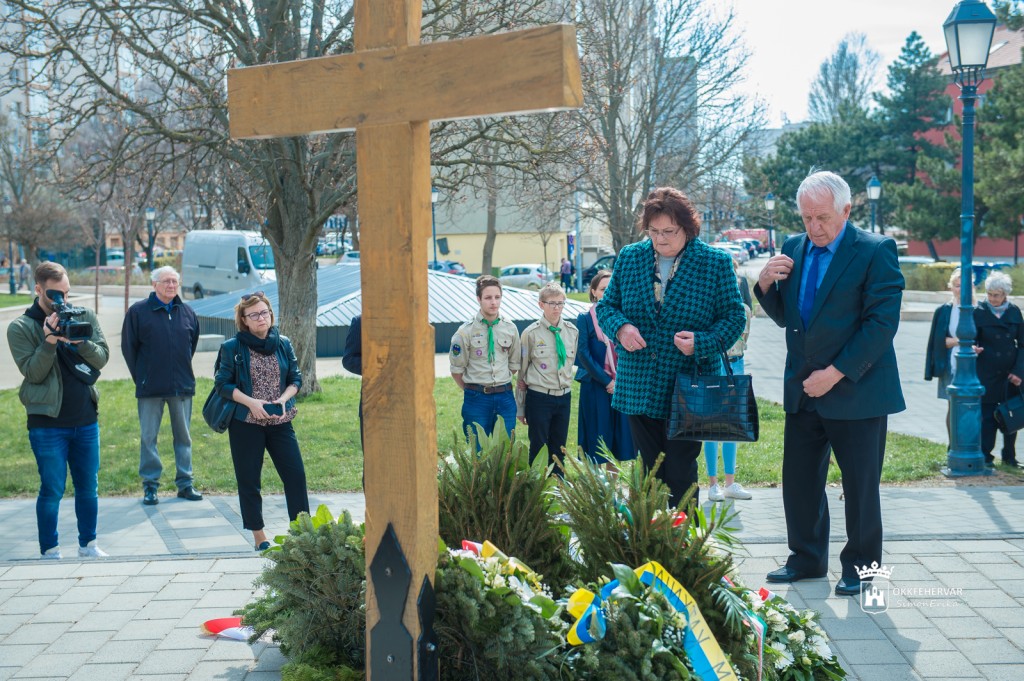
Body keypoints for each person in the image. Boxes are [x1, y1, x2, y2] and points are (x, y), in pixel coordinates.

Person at [755, 170, 905, 597]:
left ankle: (862, 568)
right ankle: (806, 558)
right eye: (806, 218)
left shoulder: (875, 250)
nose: (814, 227)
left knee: (860, 487)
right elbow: (790, 317)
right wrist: (764, 284)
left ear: (847, 209)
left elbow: (881, 324)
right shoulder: (793, 247)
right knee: (799, 481)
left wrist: (835, 373)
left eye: (822, 217)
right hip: (804, 389)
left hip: (857, 390)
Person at [596, 187, 746, 509]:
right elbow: (607, 307)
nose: (660, 239)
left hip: (688, 385)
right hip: (639, 384)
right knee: (649, 472)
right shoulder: (630, 257)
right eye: (653, 231)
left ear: (687, 228)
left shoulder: (714, 262)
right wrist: (621, 328)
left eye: (669, 232)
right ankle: (650, 535)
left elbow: (734, 317)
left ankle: (683, 534)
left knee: (680, 471)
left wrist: (702, 343)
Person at [7, 261, 110, 558]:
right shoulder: (21, 327)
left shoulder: (83, 316)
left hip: (85, 418)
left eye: (66, 292)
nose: (63, 300)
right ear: (38, 289)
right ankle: (50, 550)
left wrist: (80, 343)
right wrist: (50, 341)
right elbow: (33, 373)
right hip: (47, 423)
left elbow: (102, 358)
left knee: (88, 486)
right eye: (55, 294)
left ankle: (88, 545)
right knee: (52, 489)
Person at [214, 292, 309, 551]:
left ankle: (302, 533)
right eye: (254, 315)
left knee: (296, 476)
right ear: (244, 320)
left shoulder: (283, 343)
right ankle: (259, 536)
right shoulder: (232, 347)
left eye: (264, 312)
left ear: (271, 314)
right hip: (246, 423)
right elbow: (222, 385)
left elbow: (296, 378)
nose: (261, 318)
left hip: (280, 421)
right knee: (249, 480)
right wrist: (252, 403)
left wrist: (283, 399)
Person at [122, 266, 202, 505]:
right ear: (154, 284)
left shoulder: (187, 312)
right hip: (150, 388)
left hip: (182, 387)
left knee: (184, 437)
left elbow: (191, 346)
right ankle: (150, 486)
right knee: (148, 438)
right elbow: (129, 349)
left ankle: (185, 484)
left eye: (174, 281)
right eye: (166, 281)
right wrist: (143, 377)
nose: (171, 285)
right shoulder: (138, 312)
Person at [450, 275, 522, 442]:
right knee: (477, 450)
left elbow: (513, 364)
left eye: (497, 297)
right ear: (479, 299)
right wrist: (473, 390)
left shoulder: (510, 328)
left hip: (505, 397)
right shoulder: (465, 332)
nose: (494, 302)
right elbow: (456, 371)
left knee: (505, 450)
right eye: (488, 298)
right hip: (477, 399)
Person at [704, 265, 754, 502]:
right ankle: (713, 483)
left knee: (731, 424)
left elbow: (743, 340)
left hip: (736, 363)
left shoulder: (744, 310)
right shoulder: (708, 308)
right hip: (714, 365)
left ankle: (730, 482)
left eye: (733, 278)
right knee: (711, 425)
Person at [575, 271, 634, 465]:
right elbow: (583, 353)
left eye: (610, 289)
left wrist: (618, 381)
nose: (607, 293)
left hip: (622, 386)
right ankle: (596, 483)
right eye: (602, 289)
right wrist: (607, 381)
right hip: (595, 385)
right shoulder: (585, 318)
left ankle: (614, 484)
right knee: (597, 437)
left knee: (619, 440)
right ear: (593, 292)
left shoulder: (625, 319)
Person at [517, 282, 579, 471]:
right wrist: (521, 407)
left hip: (564, 397)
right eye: (552, 303)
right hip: (539, 397)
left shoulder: (572, 332)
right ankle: (537, 484)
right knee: (538, 446)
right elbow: (522, 374)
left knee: (559, 447)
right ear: (541, 304)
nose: (556, 308)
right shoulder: (531, 333)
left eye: (560, 303)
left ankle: (558, 483)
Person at [974, 272, 1024, 469]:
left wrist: (1019, 372)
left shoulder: (1014, 312)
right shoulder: (979, 311)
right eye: (989, 294)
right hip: (986, 372)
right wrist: (973, 348)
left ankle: (1009, 457)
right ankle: (986, 456)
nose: (992, 298)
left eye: (997, 295)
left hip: (1010, 374)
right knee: (987, 417)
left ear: (1005, 294)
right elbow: (972, 338)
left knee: (1011, 414)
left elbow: (1022, 344)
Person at [924, 268, 971, 448]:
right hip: (950, 365)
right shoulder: (944, 310)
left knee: (971, 406)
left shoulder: (978, 309)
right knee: (953, 406)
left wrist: (955, 341)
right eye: (957, 286)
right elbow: (937, 341)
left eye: (965, 286)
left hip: (972, 366)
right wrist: (961, 341)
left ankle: (970, 445)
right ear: (951, 287)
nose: (961, 290)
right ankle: (953, 446)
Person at [342, 313, 364, 451]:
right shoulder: (360, 321)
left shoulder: (409, 317)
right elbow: (349, 359)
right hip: (373, 404)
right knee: (372, 460)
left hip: (409, 402)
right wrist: (379, 367)